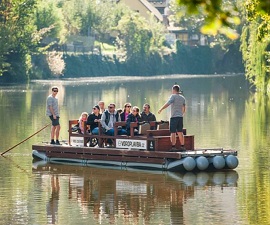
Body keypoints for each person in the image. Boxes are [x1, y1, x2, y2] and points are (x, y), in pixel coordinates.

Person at [158, 85, 186, 151]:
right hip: (180, 117)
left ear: (174, 90)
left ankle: (173, 147)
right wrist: (182, 114)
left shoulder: (173, 96)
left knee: (173, 132)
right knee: (180, 132)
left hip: (174, 117)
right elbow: (184, 107)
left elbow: (168, 103)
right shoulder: (183, 98)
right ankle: (182, 146)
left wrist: (161, 109)